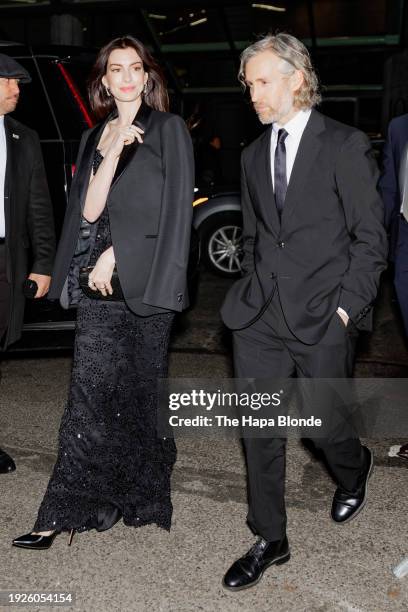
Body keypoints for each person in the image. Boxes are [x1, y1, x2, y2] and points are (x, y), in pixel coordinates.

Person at [220, 33, 387, 590]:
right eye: (250, 85)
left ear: (296, 78)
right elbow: (253, 234)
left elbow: (370, 240)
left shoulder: (343, 144)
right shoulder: (251, 155)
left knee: (324, 426)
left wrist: (346, 311)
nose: (254, 95)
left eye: (263, 81)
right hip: (260, 315)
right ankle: (270, 537)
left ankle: (353, 466)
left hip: (323, 313)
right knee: (259, 429)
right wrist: (251, 282)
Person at [13, 35, 194, 549]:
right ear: (105, 80)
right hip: (97, 285)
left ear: (147, 75)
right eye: (117, 69)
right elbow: (89, 211)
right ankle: (63, 510)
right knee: (89, 396)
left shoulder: (169, 130)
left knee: (140, 395)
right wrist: (112, 151)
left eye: (136, 68)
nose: (128, 77)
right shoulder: (95, 137)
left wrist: (121, 254)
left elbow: (175, 210)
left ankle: (138, 495)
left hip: (145, 281)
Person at [0, 54, 55, 474]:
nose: (17, 90)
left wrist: (43, 264)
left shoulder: (24, 137)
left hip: (7, 259)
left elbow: (40, 206)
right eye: (8, 82)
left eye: (18, 83)